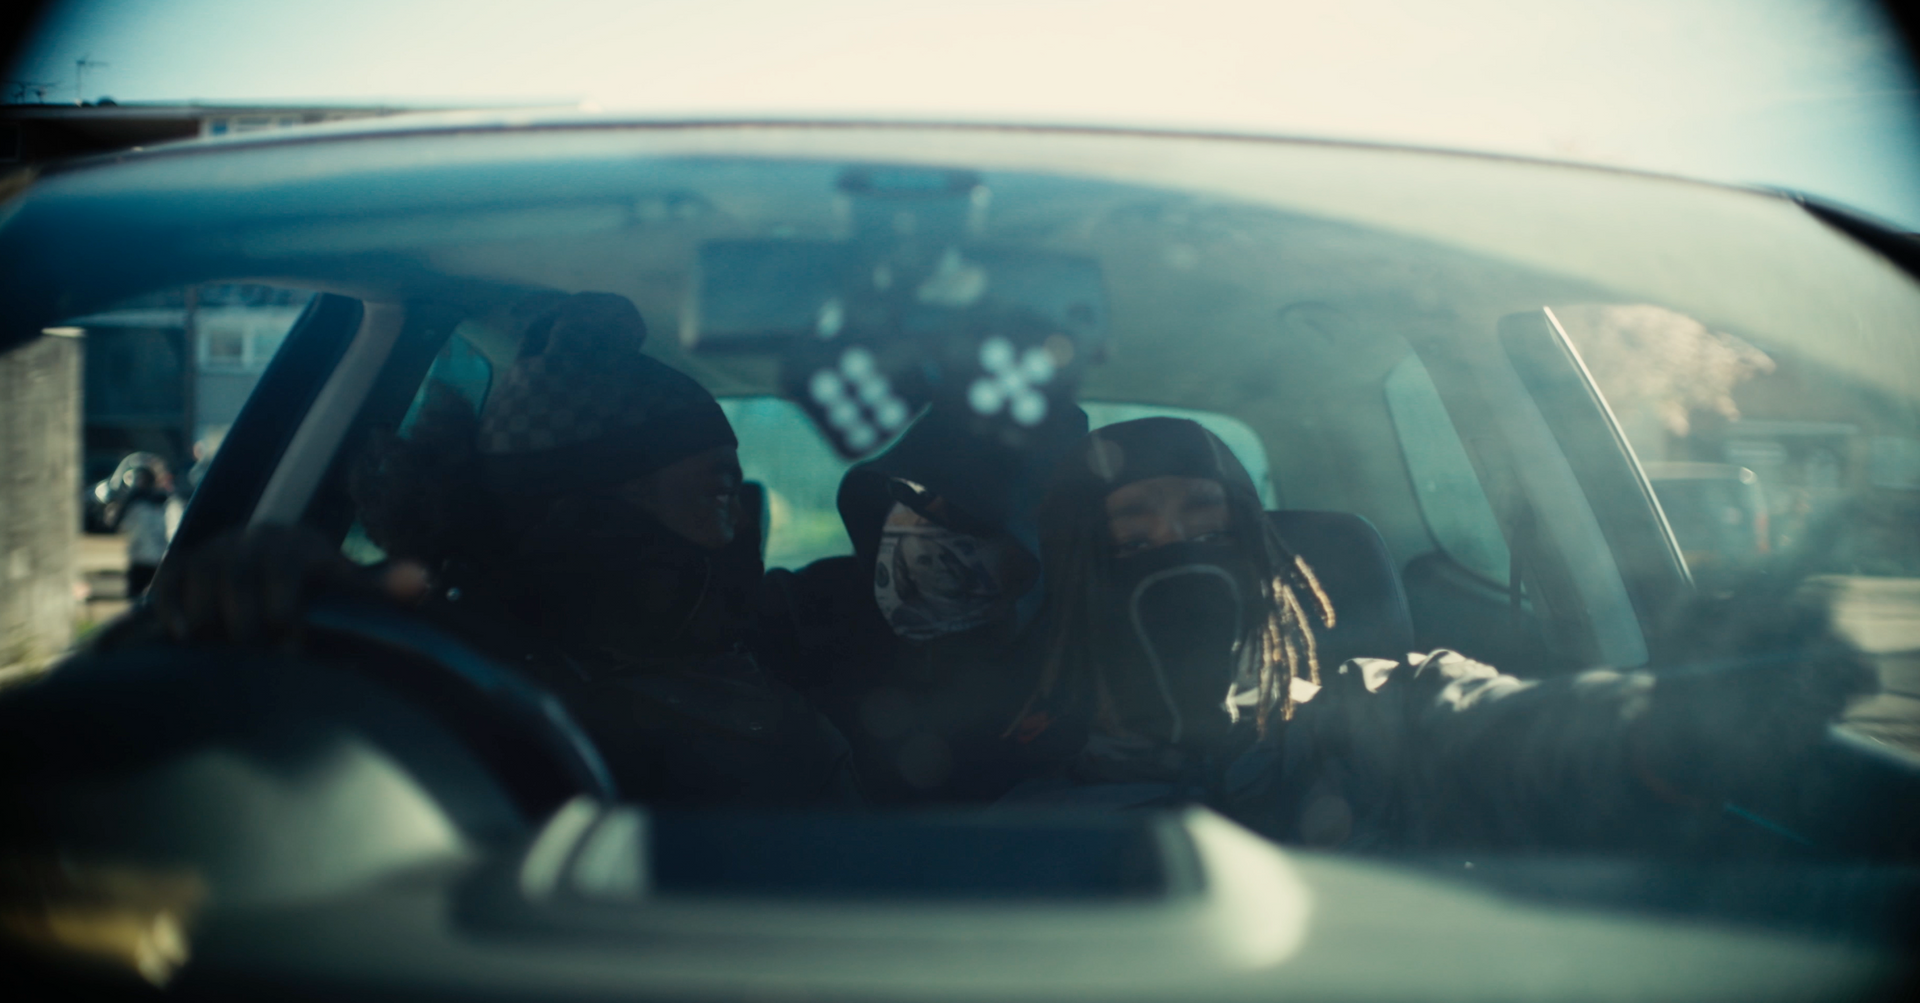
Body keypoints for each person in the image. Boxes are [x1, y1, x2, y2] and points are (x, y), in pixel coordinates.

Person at [1001, 417, 1879, 853]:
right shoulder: (997, 761)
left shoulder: (1377, 703)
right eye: (1135, 532)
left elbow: (1508, 727)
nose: (1179, 553)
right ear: (1083, 565)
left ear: (1261, 553)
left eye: (1208, 522)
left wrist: (1661, 728)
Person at [152, 292, 857, 809]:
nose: (739, 532)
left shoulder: (758, 656)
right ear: (590, 520)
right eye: (717, 496)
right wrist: (255, 616)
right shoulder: (413, 657)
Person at [758, 402, 1088, 803]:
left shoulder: (1074, 662)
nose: (925, 520)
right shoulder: (810, 606)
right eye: (915, 494)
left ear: (1044, 545)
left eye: (969, 516)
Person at [112, 464, 172, 596]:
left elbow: (120, 524)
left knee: (137, 596)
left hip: (142, 557)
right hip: (156, 557)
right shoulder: (166, 502)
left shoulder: (136, 503)